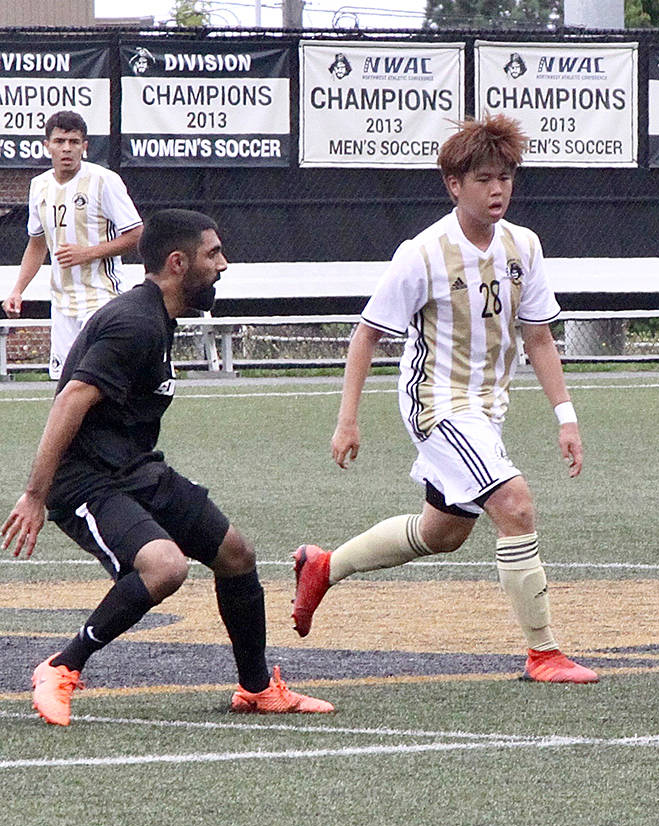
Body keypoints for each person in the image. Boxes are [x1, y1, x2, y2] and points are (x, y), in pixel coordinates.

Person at [291, 115, 597, 685]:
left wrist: (566, 418)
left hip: (486, 410)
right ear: (454, 184)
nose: (498, 189)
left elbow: (538, 338)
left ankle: (323, 567)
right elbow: (366, 334)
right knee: (517, 505)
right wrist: (347, 420)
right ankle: (544, 653)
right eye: (485, 178)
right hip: (435, 403)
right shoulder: (423, 252)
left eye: (506, 177)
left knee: (443, 534)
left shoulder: (523, 246)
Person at [0, 209, 333, 726]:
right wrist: (35, 496)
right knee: (165, 567)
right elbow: (68, 402)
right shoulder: (134, 323)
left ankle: (257, 689)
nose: (223, 264)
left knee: (236, 554)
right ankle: (61, 667)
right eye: (213, 254)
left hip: (133, 469)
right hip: (84, 480)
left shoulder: (159, 317)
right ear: (178, 263)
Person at [4, 111, 144, 379]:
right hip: (62, 303)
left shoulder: (105, 181)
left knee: (98, 380)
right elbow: (37, 244)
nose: (66, 148)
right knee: (65, 384)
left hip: (101, 299)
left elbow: (136, 234)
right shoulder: (39, 186)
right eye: (59, 141)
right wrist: (17, 290)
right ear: (47, 146)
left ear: (85, 146)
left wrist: (87, 253)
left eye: (74, 141)